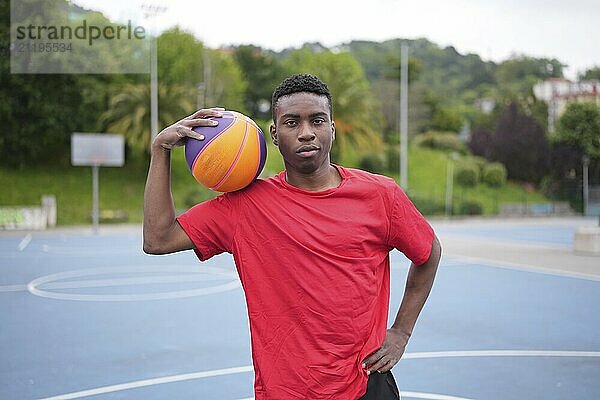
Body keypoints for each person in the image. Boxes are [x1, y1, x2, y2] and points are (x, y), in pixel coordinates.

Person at [143, 73, 441, 399]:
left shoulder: (380, 195)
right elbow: (158, 238)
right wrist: (161, 150)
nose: (306, 133)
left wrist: (401, 331)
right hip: (284, 391)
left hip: (366, 385)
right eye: (291, 123)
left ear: (332, 129)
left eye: (317, 121)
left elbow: (428, 253)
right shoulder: (245, 206)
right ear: (274, 134)